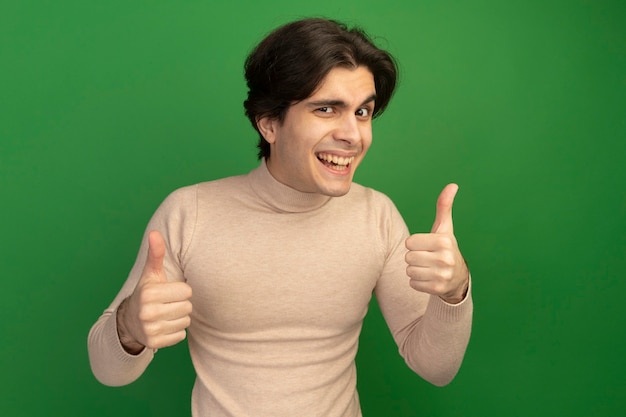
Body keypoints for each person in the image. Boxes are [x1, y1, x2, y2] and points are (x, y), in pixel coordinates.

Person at [88, 17, 472, 417]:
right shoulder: (190, 213)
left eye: (363, 112)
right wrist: (129, 327)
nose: (354, 135)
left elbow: (436, 368)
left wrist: (454, 291)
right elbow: (109, 371)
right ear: (269, 123)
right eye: (326, 109)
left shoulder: (377, 216)